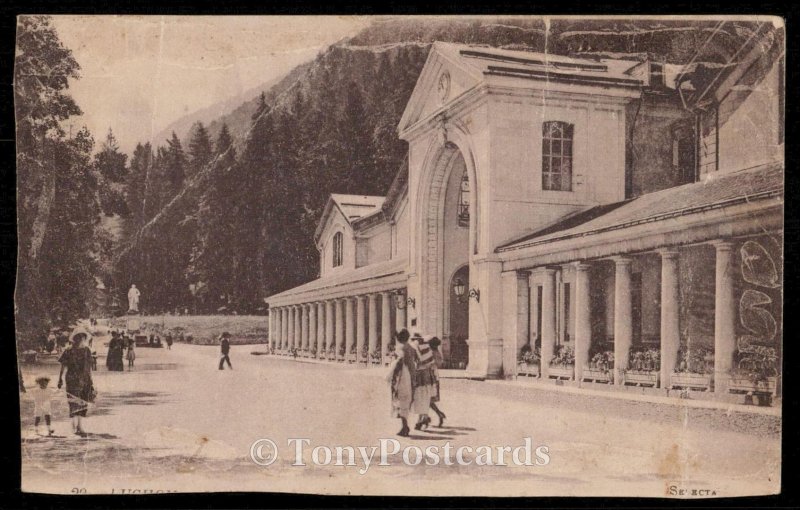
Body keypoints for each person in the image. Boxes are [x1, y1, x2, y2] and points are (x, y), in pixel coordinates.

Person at [58, 331, 95, 436]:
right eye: (78, 338)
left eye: (83, 338)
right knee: (74, 402)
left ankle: (80, 426)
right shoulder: (68, 350)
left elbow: (89, 367)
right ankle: (74, 426)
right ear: (74, 339)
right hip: (72, 380)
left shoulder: (87, 350)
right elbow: (63, 365)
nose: (80, 340)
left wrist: (91, 380)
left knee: (83, 402)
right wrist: (60, 378)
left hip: (85, 380)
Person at [387, 329, 415, 437]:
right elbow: (413, 363)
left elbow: (398, 363)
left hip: (402, 375)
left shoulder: (401, 348)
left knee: (401, 398)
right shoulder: (411, 348)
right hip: (408, 374)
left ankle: (405, 426)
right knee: (405, 399)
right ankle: (405, 425)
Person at [409, 333, 436, 430]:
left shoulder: (415, 347)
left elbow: (415, 363)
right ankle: (422, 418)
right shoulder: (427, 348)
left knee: (420, 397)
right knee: (424, 397)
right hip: (427, 376)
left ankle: (422, 419)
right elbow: (431, 364)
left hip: (420, 376)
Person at [428, 337, 447, 427]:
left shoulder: (430, 353)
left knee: (426, 400)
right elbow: (440, 364)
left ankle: (438, 414)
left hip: (430, 377)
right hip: (435, 376)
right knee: (428, 400)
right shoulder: (437, 353)